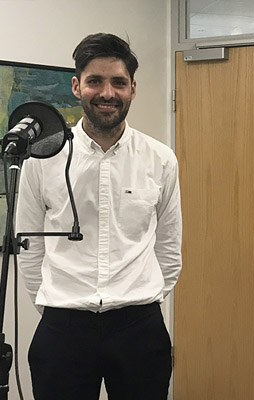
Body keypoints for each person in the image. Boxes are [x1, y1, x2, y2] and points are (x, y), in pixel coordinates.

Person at [16, 33, 182, 400]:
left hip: (139, 328)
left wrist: (141, 298)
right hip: (63, 328)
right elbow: (29, 246)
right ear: (77, 86)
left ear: (133, 89)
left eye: (118, 82)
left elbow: (169, 248)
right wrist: (54, 306)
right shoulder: (42, 159)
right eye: (95, 81)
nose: (107, 93)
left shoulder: (160, 159)